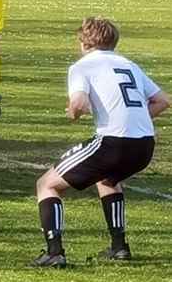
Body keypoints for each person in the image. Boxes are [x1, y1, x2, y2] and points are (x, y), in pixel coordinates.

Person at [31, 17, 169, 268]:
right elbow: (162, 101)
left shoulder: (83, 67)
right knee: (108, 180)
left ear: (84, 42)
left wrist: (73, 112)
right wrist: (133, 117)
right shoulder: (129, 65)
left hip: (112, 142)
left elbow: (80, 103)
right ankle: (119, 248)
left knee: (47, 184)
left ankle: (54, 253)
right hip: (145, 144)